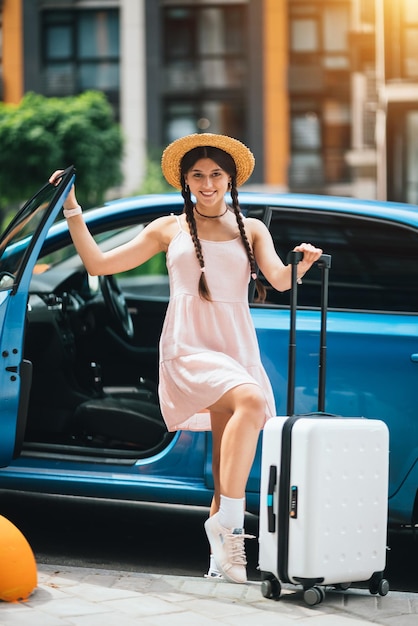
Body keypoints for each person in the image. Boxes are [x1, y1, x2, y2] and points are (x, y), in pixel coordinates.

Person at [50, 133, 322, 584]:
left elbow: (278, 280)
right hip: (188, 346)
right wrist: (72, 209)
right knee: (252, 403)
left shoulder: (251, 228)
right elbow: (98, 264)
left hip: (235, 346)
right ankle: (230, 526)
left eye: (216, 174)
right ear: (186, 180)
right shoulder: (168, 228)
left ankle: (221, 564)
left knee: (224, 463)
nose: (207, 183)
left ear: (231, 178)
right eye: (198, 175)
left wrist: (302, 264)